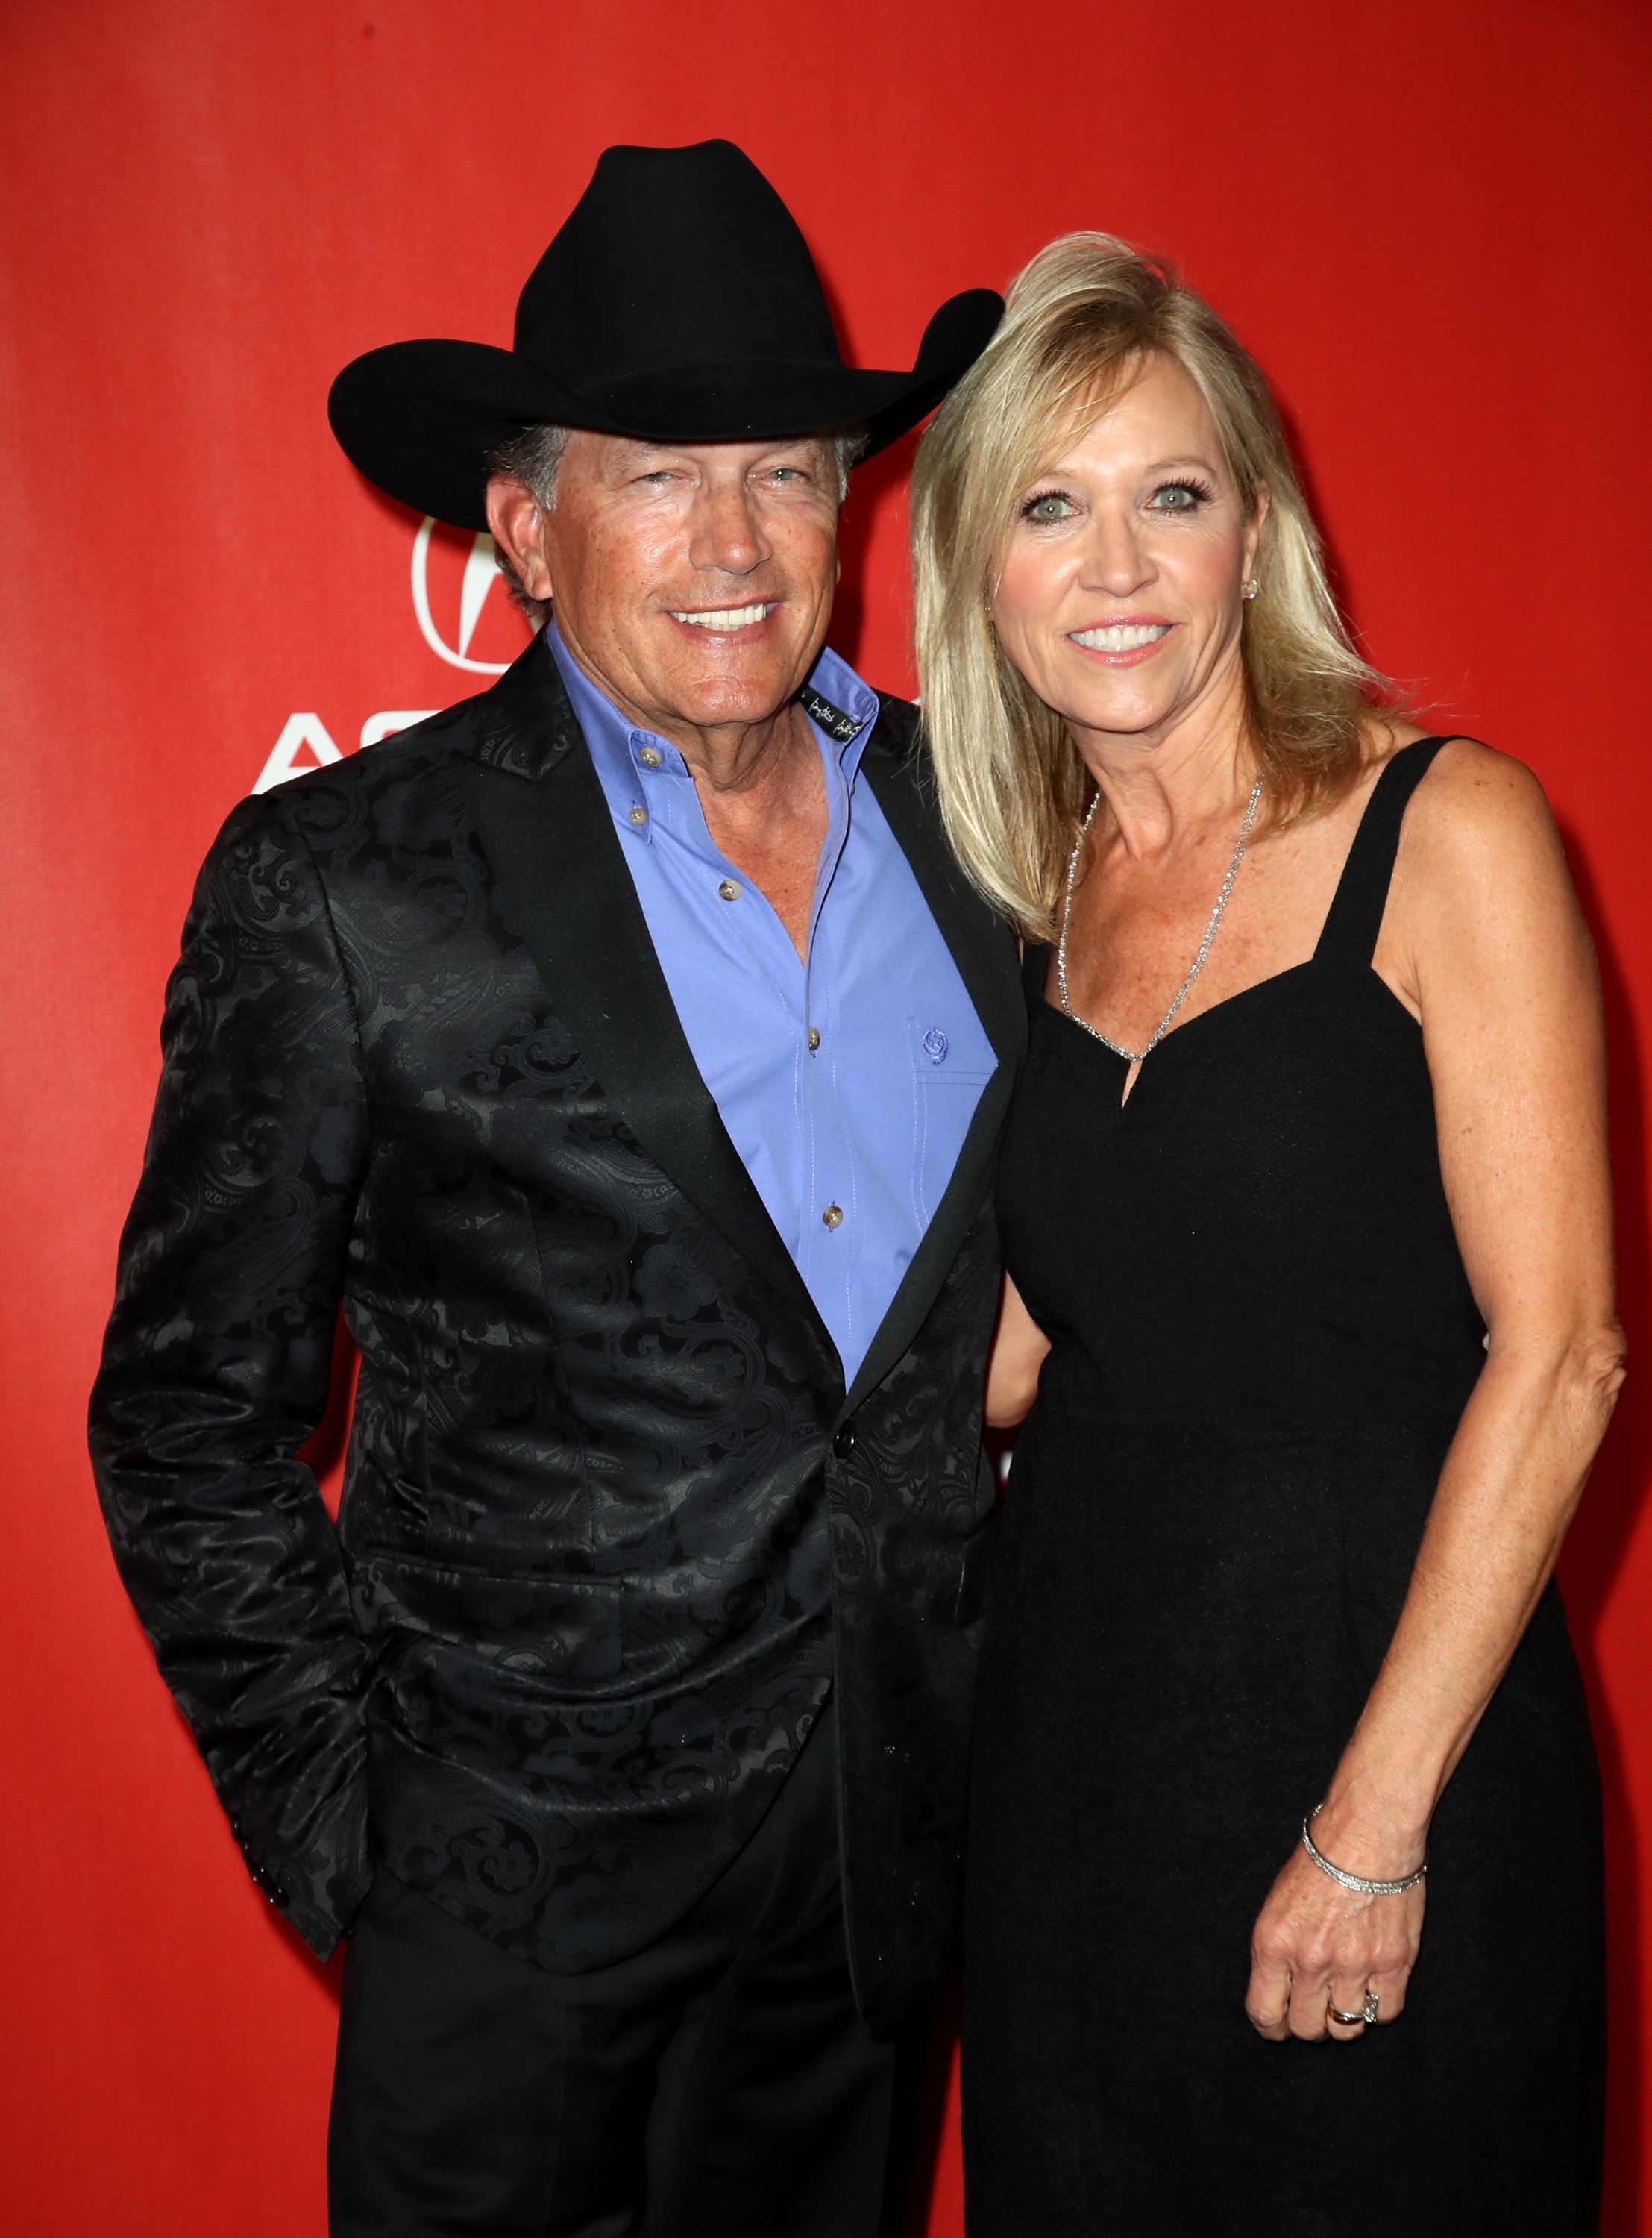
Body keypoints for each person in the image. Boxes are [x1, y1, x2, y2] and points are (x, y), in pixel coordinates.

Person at [89, 140, 1021, 2238]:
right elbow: (182, 1424)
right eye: (654, 471)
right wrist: (373, 1852)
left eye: (785, 468)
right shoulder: (342, 890)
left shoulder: (984, 830)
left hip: (872, 1912)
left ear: (850, 503)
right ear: (521, 524)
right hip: (506, 1947)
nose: (734, 539)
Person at [909, 232, 1621, 2235]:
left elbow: (1562, 1357)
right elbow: (1031, 1344)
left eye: (1172, 497)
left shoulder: (1447, 829)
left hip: (1382, 1733)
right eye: (1051, 507)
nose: (1116, 567)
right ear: (980, 569)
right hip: (1070, 1769)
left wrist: (1374, 1830)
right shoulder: (1017, 900)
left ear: (1257, 531)